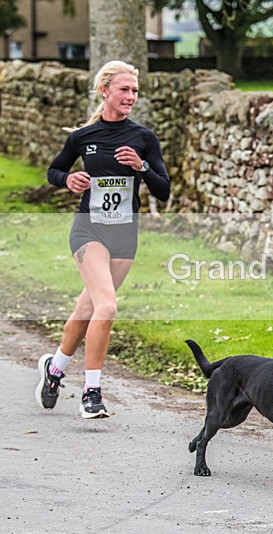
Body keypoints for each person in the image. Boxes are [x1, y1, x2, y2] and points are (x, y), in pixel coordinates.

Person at [36, 60, 170, 418]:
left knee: (87, 308)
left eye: (135, 91)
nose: (131, 96)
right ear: (104, 91)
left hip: (125, 236)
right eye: (124, 89)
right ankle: (91, 392)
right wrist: (68, 180)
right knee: (107, 307)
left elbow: (164, 191)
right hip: (89, 230)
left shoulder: (143, 138)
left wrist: (141, 166)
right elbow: (54, 170)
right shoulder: (82, 137)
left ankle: (54, 371)